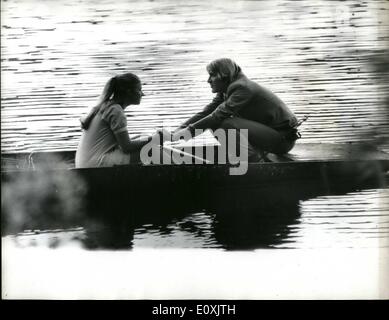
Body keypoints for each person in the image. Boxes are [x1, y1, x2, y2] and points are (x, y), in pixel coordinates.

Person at [162, 58, 300, 162]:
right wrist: (177, 131)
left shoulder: (242, 88)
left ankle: (252, 158)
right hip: (270, 136)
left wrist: (186, 133)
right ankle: (249, 153)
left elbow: (217, 116)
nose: (208, 80)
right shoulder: (226, 90)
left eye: (212, 75)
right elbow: (205, 113)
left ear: (224, 75)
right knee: (215, 124)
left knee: (226, 122)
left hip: (282, 141)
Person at [75, 73, 157, 168]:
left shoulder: (106, 105)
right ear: (128, 91)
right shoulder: (115, 111)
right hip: (95, 166)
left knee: (144, 137)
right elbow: (126, 147)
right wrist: (153, 139)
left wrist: (150, 139)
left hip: (85, 163)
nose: (142, 94)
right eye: (139, 90)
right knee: (152, 151)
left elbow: (125, 143)